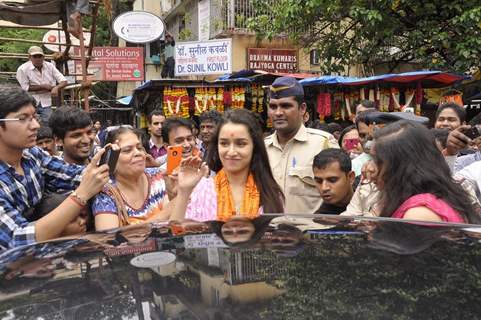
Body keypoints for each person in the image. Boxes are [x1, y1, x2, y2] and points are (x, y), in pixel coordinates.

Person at [0, 86, 110, 251]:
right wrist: (80, 195)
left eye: (34, 117)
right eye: (23, 118)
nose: (36, 125)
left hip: (44, 261)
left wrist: (115, 166)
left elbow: (70, 174)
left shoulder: (32, 155)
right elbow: (17, 239)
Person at [170, 109, 285, 222]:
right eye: (224, 143)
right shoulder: (202, 189)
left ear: (254, 147)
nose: (231, 152)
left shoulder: (270, 193)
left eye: (241, 144)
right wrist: (184, 191)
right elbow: (177, 234)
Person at [370, 120, 480, 223]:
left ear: (401, 166)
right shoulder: (426, 199)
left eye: (377, 160)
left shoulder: (419, 214)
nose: (369, 168)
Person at [265, 76, 339, 214]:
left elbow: (341, 197)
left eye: (286, 106)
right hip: (270, 233)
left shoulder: (323, 144)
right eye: (273, 106)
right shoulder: (262, 149)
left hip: (310, 233)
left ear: (302, 108)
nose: (278, 113)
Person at [92, 127, 171, 231]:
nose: (137, 153)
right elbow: (109, 240)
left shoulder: (158, 176)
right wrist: (166, 213)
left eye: (139, 148)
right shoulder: (106, 192)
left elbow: (175, 222)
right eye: (127, 150)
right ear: (111, 158)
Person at [16, 46, 68, 124]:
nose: (38, 59)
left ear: (43, 57)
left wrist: (56, 87)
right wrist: (44, 86)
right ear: (29, 57)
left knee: (48, 123)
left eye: (40, 56)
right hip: (30, 101)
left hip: (47, 101)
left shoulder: (49, 66)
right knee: (30, 123)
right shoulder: (22, 69)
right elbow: (25, 87)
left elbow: (64, 81)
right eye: (35, 56)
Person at [312, 149, 355, 214]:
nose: (324, 188)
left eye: (332, 180)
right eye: (319, 181)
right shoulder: (321, 219)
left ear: (350, 177)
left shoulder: (370, 190)